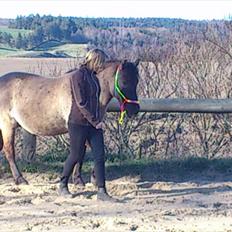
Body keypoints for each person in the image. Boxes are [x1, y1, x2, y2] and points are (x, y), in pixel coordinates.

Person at [59, 48, 113, 201]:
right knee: (76, 155)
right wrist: (96, 121)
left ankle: (102, 190)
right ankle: (63, 183)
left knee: (99, 155)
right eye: (101, 62)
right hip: (78, 123)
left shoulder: (94, 78)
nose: (102, 66)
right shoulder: (77, 76)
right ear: (94, 60)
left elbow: (96, 101)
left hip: (93, 123)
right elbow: (81, 103)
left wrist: (98, 119)